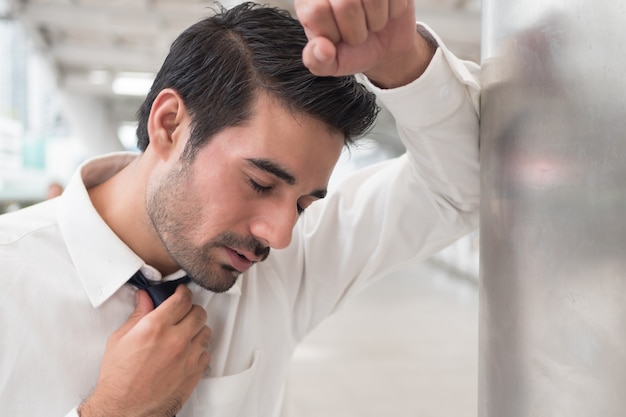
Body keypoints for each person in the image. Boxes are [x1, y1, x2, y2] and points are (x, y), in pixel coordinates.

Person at [0, 1, 480, 416]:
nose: (280, 234)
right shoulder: (10, 280)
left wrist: (404, 65)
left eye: (304, 203)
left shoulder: (287, 269)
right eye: (260, 182)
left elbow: (459, 187)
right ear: (169, 124)